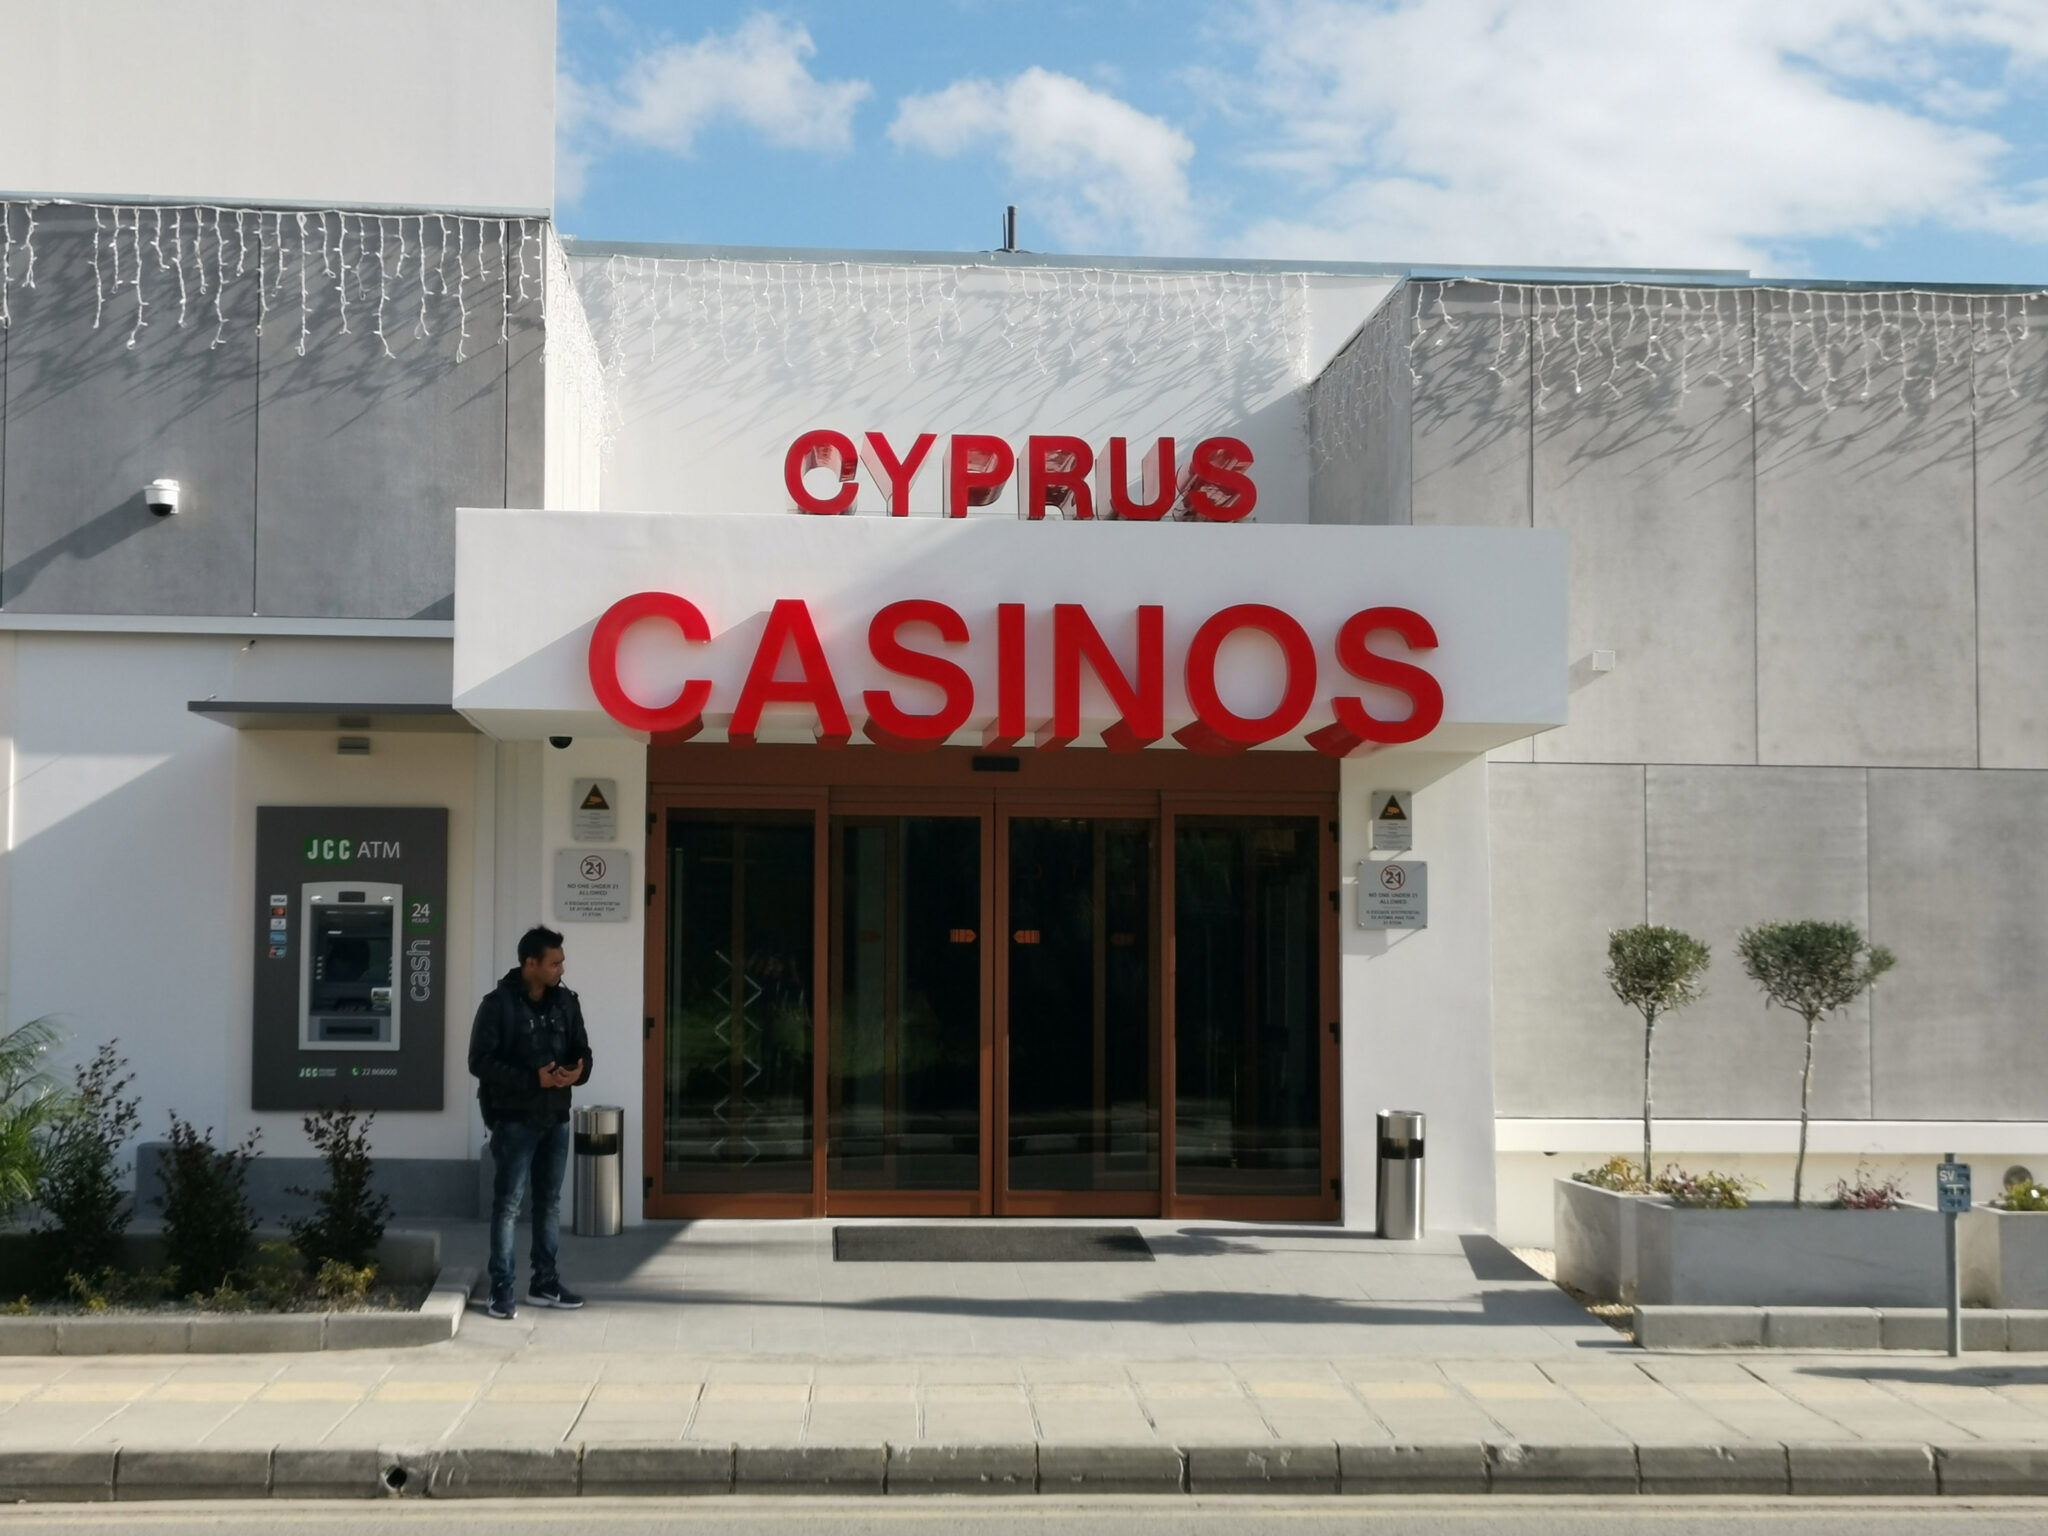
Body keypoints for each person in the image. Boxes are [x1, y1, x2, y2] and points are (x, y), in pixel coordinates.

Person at [468, 925, 592, 1319]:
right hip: (514, 1121)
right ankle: (501, 1289)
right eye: (554, 963)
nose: (561, 969)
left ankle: (545, 1284)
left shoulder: (567, 1003)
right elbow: (479, 1062)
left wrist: (578, 1072)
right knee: (508, 1206)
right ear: (530, 963)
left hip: (556, 1118)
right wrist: (531, 1079)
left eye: (562, 962)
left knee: (549, 1204)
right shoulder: (498, 1005)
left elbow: (583, 1050)